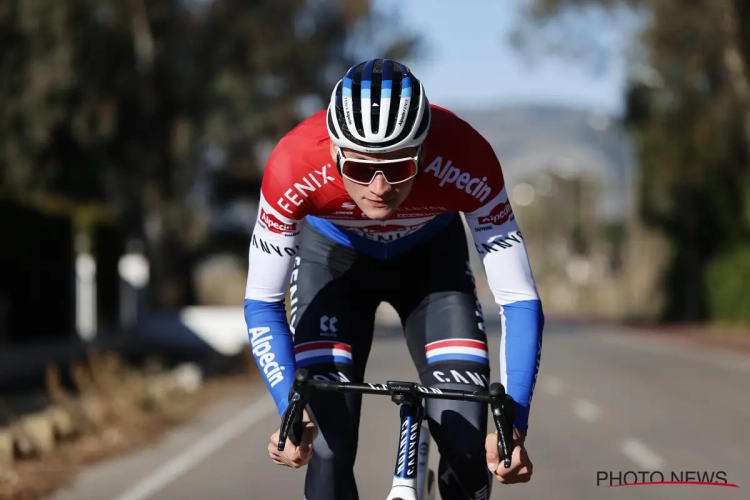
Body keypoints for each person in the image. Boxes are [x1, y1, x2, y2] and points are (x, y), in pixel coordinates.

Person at [244, 58, 543, 500]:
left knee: (467, 448)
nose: (380, 187)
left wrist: (512, 424)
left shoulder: (467, 156)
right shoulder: (293, 163)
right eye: (362, 170)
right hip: (333, 266)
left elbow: (519, 299)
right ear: (334, 151)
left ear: (424, 151)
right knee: (324, 447)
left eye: (400, 167)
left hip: (430, 269)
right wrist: (291, 411)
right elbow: (262, 303)